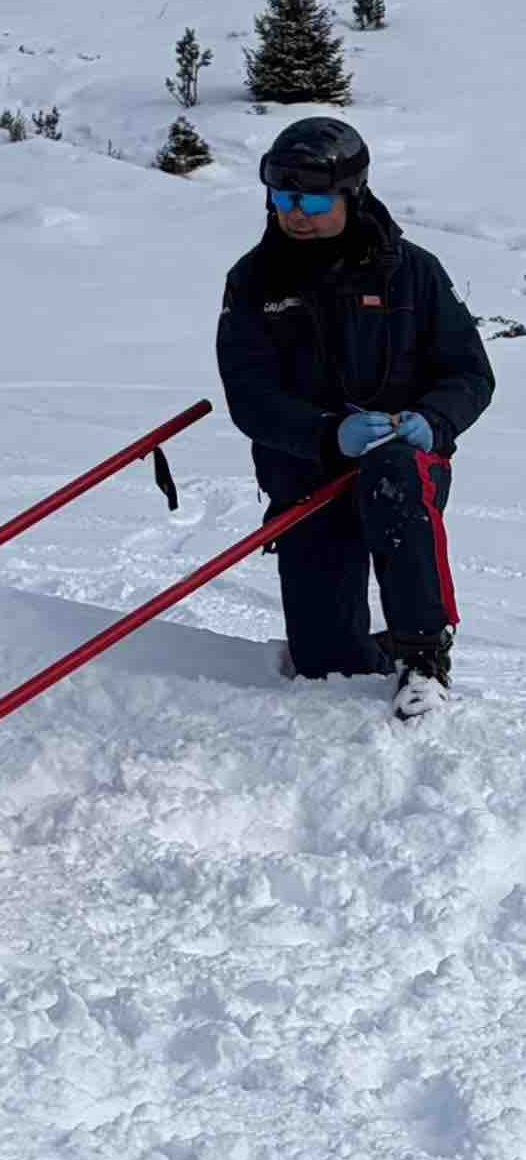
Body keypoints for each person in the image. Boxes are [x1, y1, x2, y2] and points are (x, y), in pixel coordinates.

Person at [217, 117, 494, 719]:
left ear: (352, 194)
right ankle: (363, 651)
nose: (296, 213)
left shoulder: (412, 271)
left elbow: (471, 374)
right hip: (306, 472)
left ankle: (422, 656)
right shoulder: (253, 281)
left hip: (404, 462)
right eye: (283, 198)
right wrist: (322, 433)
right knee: (325, 666)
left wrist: (434, 419)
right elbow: (250, 395)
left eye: (313, 199)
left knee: (393, 473)